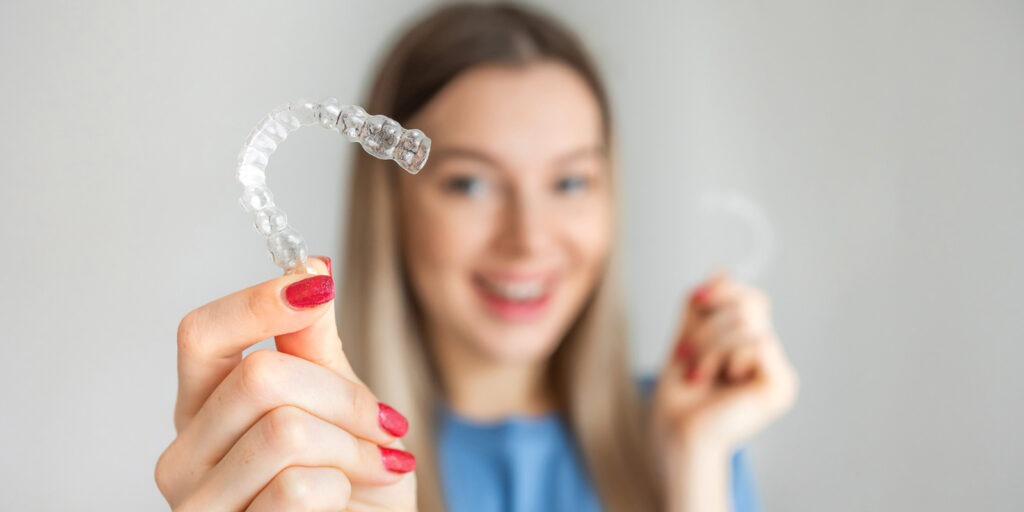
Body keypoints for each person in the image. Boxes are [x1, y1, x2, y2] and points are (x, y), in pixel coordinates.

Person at [155, 3, 798, 511]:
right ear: (391, 203)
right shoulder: (307, 468)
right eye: (471, 184)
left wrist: (693, 464)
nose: (529, 239)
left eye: (570, 182)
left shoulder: (692, 439)